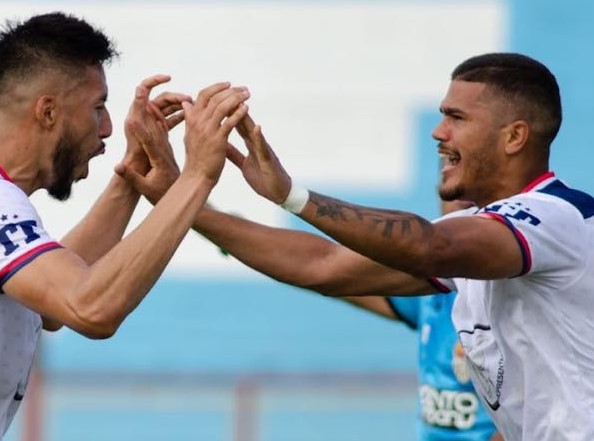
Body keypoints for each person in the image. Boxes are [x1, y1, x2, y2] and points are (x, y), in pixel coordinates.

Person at [121, 53, 594, 440]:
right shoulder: (481, 237)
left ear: (514, 136)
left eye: (456, 117)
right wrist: (182, 203)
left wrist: (291, 195)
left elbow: (431, 246)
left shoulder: (560, 217)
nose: (438, 132)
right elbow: (322, 266)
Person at [0, 12, 250, 440]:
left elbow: (54, 305)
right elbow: (90, 308)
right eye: (97, 107)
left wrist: (131, 175)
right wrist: (198, 176)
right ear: (48, 112)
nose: (105, 129)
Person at [345, 199, 501, 441]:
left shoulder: (509, 294)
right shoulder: (429, 289)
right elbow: (344, 280)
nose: (460, 200)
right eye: (449, 164)